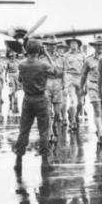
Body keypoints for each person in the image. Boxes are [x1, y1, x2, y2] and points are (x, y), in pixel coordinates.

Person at [13, 39, 59, 173]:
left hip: (27, 99)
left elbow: (20, 80)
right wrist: (47, 54)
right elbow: (55, 71)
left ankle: (18, 161)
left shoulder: (22, 65)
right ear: (39, 50)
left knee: (24, 130)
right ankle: (45, 162)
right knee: (44, 131)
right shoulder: (43, 65)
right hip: (40, 99)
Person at [80, 36, 102, 145]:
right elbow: (83, 74)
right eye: (97, 45)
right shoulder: (88, 59)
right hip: (93, 86)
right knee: (97, 109)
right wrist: (81, 88)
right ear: (94, 46)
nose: (99, 46)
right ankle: (100, 135)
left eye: (101, 44)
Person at [41, 36, 66, 142]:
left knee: (57, 112)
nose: (53, 47)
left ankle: (54, 126)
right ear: (47, 46)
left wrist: (64, 84)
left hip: (58, 84)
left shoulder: (62, 58)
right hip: (47, 83)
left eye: (55, 45)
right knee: (47, 110)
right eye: (51, 45)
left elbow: (64, 71)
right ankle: (50, 132)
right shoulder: (42, 59)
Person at [64, 37, 85, 132]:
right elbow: (64, 69)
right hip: (70, 78)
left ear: (78, 45)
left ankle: (74, 114)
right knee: (73, 101)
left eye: (75, 43)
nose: (73, 45)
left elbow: (86, 69)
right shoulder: (66, 56)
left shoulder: (83, 55)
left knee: (81, 103)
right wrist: (64, 83)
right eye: (71, 43)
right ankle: (73, 122)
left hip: (80, 78)